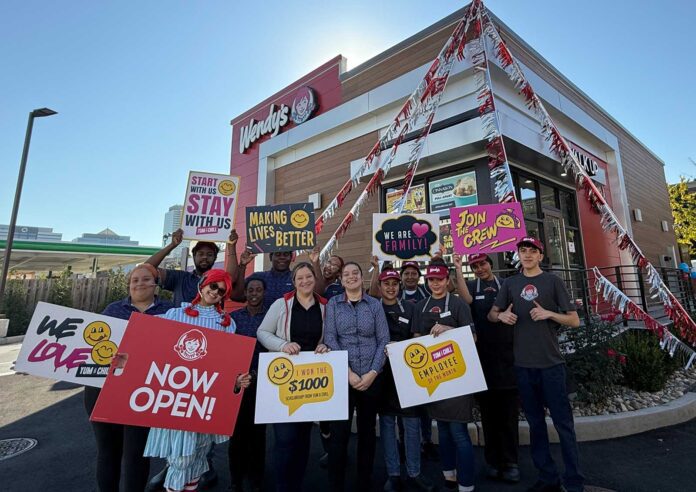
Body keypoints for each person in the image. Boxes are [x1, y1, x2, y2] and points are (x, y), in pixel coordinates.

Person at [143, 269, 252, 492]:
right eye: (213, 286)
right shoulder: (175, 315)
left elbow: (227, 364)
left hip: (206, 400)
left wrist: (236, 381)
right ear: (203, 285)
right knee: (180, 458)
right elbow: (145, 336)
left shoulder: (226, 324)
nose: (216, 292)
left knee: (198, 458)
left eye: (222, 291)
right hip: (179, 397)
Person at [488, 237, 583, 492]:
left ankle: (574, 481)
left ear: (540, 255)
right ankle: (547, 478)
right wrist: (501, 316)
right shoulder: (510, 283)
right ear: (518, 255)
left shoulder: (553, 282)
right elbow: (492, 314)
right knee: (535, 425)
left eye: (532, 251)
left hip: (551, 365)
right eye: (523, 250)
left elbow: (574, 320)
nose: (527, 255)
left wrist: (549, 314)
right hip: (523, 366)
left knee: (564, 425)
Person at [84, 263, 174, 492]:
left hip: (144, 390)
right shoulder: (113, 310)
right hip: (104, 388)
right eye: (135, 280)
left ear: (156, 285)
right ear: (128, 285)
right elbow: (94, 348)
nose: (139, 284)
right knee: (107, 451)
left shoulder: (170, 312)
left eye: (145, 279)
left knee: (136, 452)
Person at [256, 262, 330, 492]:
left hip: (311, 380)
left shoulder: (325, 306)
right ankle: (282, 486)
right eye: (300, 278)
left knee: (303, 438)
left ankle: (295, 484)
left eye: (309, 276)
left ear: (314, 279)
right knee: (285, 439)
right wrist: (283, 344)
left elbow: (330, 336)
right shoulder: (282, 304)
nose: (305, 281)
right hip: (285, 379)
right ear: (294, 281)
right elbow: (262, 332)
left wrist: (326, 345)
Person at [324, 261, 390, 492]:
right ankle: (336, 483)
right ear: (340, 280)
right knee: (339, 434)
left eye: (355, 273)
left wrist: (373, 373)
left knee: (367, 432)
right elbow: (330, 338)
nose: (351, 277)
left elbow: (383, 340)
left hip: (371, 377)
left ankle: (364, 481)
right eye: (346, 274)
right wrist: (348, 373)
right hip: (344, 376)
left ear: (362, 278)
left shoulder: (374, 305)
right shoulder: (333, 304)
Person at [453, 253, 519, 483]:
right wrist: (459, 268)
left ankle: (511, 462)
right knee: (489, 415)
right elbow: (465, 299)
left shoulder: (507, 285)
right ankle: (492, 461)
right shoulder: (471, 286)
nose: (480, 268)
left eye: (482, 264)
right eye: (475, 266)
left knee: (509, 415)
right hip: (482, 359)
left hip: (509, 358)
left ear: (490, 264)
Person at [413, 263, 476, 492]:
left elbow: (474, 338)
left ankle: (466, 483)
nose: (435, 284)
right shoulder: (421, 306)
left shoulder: (459, 304)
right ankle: (449, 475)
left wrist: (449, 330)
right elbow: (417, 339)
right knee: (444, 430)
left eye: (439, 279)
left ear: (447, 280)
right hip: (434, 378)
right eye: (431, 280)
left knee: (459, 431)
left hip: (457, 375)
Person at [376, 268, 434, 492]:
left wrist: (400, 349)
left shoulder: (411, 307)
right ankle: (393, 474)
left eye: (394, 284)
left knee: (411, 425)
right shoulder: (373, 307)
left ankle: (414, 472)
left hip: (408, 374)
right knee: (388, 426)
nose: (390, 287)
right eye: (386, 284)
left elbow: (417, 338)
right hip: (382, 375)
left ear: (399, 286)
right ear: (379, 287)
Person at [228, 275, 269, 492]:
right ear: (245, 293)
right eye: (250, 290)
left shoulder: (271, 318)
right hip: (239, 382)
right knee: (236, 434)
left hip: (263, 383)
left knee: (258, 435)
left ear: (264, 293)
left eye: (258, 290)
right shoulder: (233, 318)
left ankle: (256, 478)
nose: (254, 294)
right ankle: (235, 478)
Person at [146, 228, 239, 307]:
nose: (205, 257)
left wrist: (231, 246)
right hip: (179, 327)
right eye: (200, 254)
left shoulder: (219, 281)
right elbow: (147, 269)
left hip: (209, 327)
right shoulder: (180, 277)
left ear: (215, 258)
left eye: (209, 254)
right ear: (194, 256)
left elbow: (231, 278)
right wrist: (172, 245)